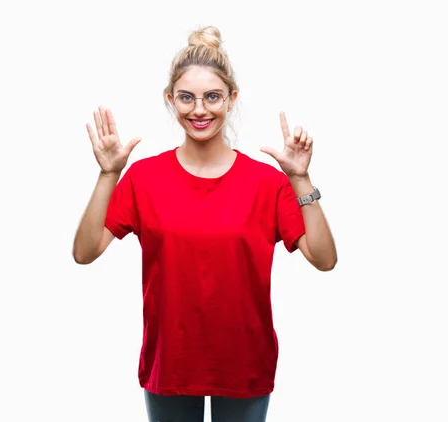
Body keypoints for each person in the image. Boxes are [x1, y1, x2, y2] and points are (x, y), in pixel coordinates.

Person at [73, 25, 337, 422]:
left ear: (231, 99)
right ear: (170, 100)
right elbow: (85, 252)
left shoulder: (267, 183)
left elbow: (324, 259)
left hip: (244, 363)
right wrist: (109, 174)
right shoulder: (143, 178)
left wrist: (300, 179)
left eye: (212, 96)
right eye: (187, 98)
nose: (199, 110)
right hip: (171, 363)